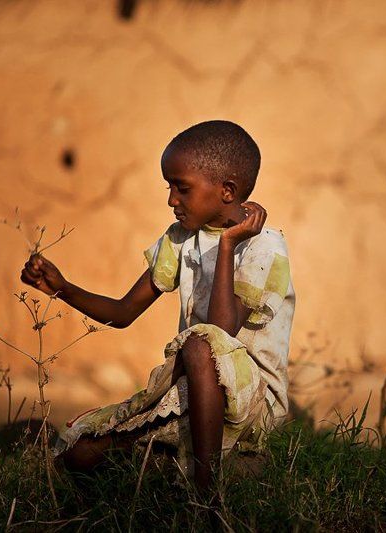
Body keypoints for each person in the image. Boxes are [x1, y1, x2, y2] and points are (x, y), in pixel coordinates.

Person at [19, 120, 295, 491]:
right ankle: (174, 459)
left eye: (182, 188)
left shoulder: (264, 248)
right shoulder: (180, 240)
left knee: (199, 345)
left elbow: (220, 332)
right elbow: (122, 313)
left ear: (227, 190)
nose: (171, 200)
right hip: (191, 390)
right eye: (170, 187)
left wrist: (228, 244)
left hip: (253, 404)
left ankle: (206, 494)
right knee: (80, 455)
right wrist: (62, 288)